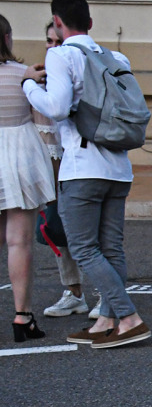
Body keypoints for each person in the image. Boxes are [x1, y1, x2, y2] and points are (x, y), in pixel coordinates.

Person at [21, 0, 149, 347]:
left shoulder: (60, 55)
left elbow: (58, 108)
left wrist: (29, 85)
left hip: (82, 166)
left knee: (84, 249)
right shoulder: (115, 56)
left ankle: (129, 317)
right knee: (112, 249)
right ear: (90, 22)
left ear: (58, 23)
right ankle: (106, 321)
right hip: (119, 166)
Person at [1, 14, 57, 341]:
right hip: (18, 157)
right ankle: (22, 317)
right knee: (18, 241)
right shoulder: (23, 75)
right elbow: (45, 118)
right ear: (6, 38)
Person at [32, 21, 94, 319]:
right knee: (56, 229)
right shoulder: (40, 77)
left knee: (84, 232)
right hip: (48, 163)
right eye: (48, 41)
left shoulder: (80, 70)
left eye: (55, 41)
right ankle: (74, 292)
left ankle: (108, 296)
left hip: (78, 163)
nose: (50, 47)